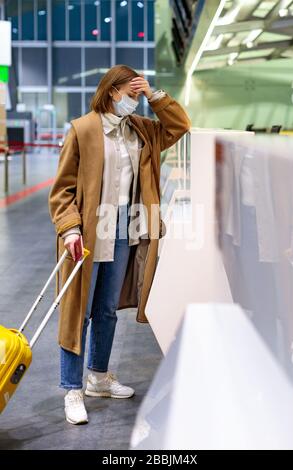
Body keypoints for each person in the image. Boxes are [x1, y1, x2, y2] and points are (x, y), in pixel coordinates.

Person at [48, 64, 191, 425]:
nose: (135, 100)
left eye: (139, 94)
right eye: (131, 93)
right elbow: (62, 190)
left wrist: (155, 95)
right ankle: (72, 388)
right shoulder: (83, 129)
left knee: (108, 309)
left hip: (125, 230)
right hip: (88, 234)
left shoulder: (142, 130)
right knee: (78, 311)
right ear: (112, 91)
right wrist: (69, 229)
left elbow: (179, 126)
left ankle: (98, 377)